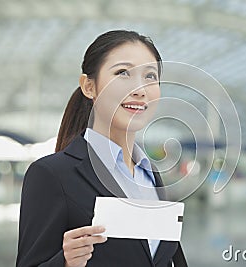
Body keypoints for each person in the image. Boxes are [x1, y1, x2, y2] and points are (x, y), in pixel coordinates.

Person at [16, 30, 188, 267]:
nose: (140, 90)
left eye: (150, 76)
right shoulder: (51, 175)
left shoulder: (151, 175)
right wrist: (65, 263)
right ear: (89, 86)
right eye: (122, 73)